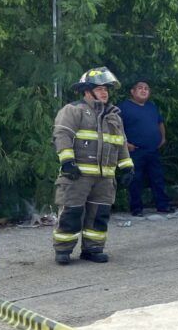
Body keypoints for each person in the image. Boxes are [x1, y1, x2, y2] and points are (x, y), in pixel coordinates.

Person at [51, 67, 135, 265]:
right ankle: (63, 250)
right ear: (87, 91)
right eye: (99, 88)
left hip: (105, 178)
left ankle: (93, 249)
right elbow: (62, 135)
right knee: (71, 213)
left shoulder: (114, 116)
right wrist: (67, 162)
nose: (104, 92)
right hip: (77, 175)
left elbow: (120, 143)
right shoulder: (73, 111)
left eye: (106, 88)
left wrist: (127, 167)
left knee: (99, 215)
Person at [118, 79, 174, 216]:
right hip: (135, 150)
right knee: (135, 180)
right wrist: (125, 144)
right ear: (132, 91)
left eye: (146, 89)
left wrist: (163, 138)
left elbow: (160, 123)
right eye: (140, 88)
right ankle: (136, 208)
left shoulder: (151, 107)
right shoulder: (123, 107)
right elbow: (116, 127)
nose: (144, 90)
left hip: (153, 150)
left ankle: (163, 205)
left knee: (158, 178)